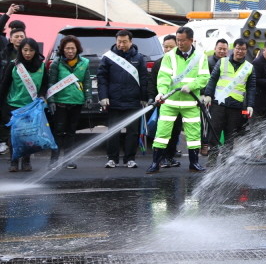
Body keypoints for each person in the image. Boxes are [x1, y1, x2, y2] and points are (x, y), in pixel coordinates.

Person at [146, 27, 210, 174]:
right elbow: (163, 77)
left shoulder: (201, 57)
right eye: (178, 40)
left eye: (182, 40)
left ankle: (194, 163)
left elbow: (204, 77)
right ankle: (156, 163)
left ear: (191, 40)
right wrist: (161, 92)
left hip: (190, 103)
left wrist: (192, 86)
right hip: (170, 102)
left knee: (193, 134)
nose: (179, 43)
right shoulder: (170, 56)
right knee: (162, 133)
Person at [97, 30, 148, 169]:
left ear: (131, 42)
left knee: (132, 132)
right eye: (119, 41)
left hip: (133, 101)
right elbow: (102, 78)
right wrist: (103, 96)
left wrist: (144, 97)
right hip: (114, 100)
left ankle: (130, 159)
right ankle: (112, 158)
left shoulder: (139, 58)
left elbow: (144, 79)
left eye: (124, 42)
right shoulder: (108, 57)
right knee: (113, 131)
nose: (121, 44)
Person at [203, 38, 256, 167]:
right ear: (234, 49)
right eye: (238, 48)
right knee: (214, 133)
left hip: (236, 106)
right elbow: (213, 80)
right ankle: (212, 160)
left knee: (230, 135)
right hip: (218, 104)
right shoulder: (222, 62)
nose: (240, 51)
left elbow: (251, 88)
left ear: (246, 51)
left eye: (243, 49)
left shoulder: (249, 67)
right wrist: (208, 95)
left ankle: (225, 161)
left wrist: (250, 105)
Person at [0, 38, 48, 172]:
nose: (28, 53)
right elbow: (4, 85)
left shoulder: (41, 66)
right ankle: (14, 161)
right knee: (14, 136)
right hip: (14, 105)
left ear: (36, 51)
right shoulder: (13, 65)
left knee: (29, 135)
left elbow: (45, 84)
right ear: (20, 50)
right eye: (25, 50)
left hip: (32, 107)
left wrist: (42, 95)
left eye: (31, 50)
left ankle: (26, 161)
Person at [47, 35, 92, 169]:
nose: (70, 51)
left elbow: (87, 81)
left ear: (77, 49)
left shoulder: (84, 62)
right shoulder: (56, 63)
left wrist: (88, 97)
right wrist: (51, 101)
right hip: (60, 103)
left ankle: (68, 160)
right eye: (67, 48)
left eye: (72, 48)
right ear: (62, 49)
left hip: (76, 102)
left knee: (71, 132)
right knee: (58, 132)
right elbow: (51, 82)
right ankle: (54, 160)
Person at [147, 34, 183, 169]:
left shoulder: (182, 63)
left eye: (171, 47)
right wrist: (152, 97)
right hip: (164, 104)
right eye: (166, 47)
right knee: (162, 133)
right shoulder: (158, 63)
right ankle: (160, 158)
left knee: (175, 132)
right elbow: (152, 83)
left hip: (179, 103)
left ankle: (170, 156)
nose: (168, 49)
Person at [0, 27, 27, 155]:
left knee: (25, 127)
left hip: (24, 95)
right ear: (10, 39)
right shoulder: (4, 53)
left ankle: (25, 155)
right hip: (7, 94)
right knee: (9, 123)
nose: (19, 39)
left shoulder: (29, 54)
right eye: (16, 36)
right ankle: (12, 154)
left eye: (21, 36)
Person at [202, 38, 229, 156]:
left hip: (223, 99)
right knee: (207, 124)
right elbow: (204, 80)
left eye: (224, 49)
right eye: (220, 49)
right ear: (215, 49)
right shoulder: (208, 62)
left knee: (220, 125)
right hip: (209, 98)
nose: (222, 51)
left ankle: (220, 147)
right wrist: (205, 94)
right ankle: (205, 146)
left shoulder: (229, 63)